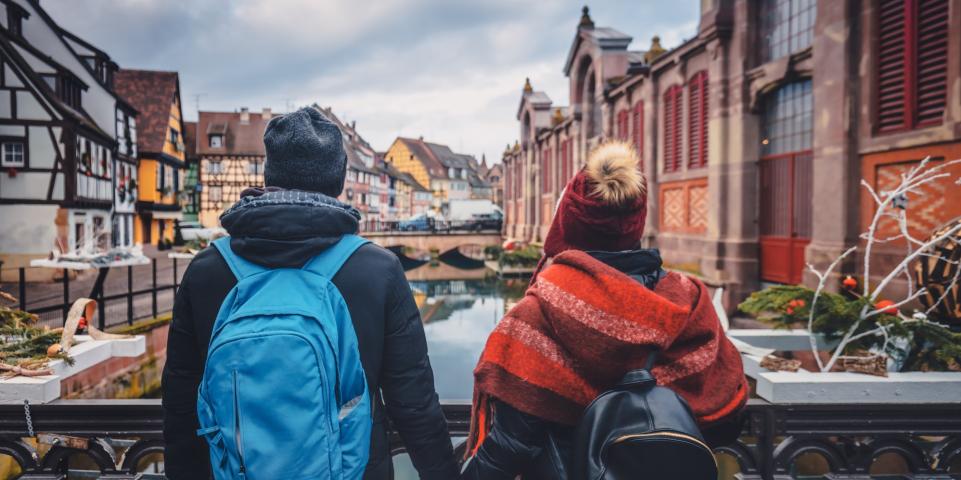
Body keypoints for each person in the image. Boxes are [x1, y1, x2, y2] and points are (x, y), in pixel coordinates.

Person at [162, 107, 459, 479]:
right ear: (339, 180)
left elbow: (180, 405)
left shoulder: (207, 270)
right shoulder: (377, 269)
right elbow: (413, 403)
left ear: (269, 173)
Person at [461, 141, 749, 479]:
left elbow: (512, 445)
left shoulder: (538, 315)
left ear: (568, 225)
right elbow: (726, 416)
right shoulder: (691, 301)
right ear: (637, 225)